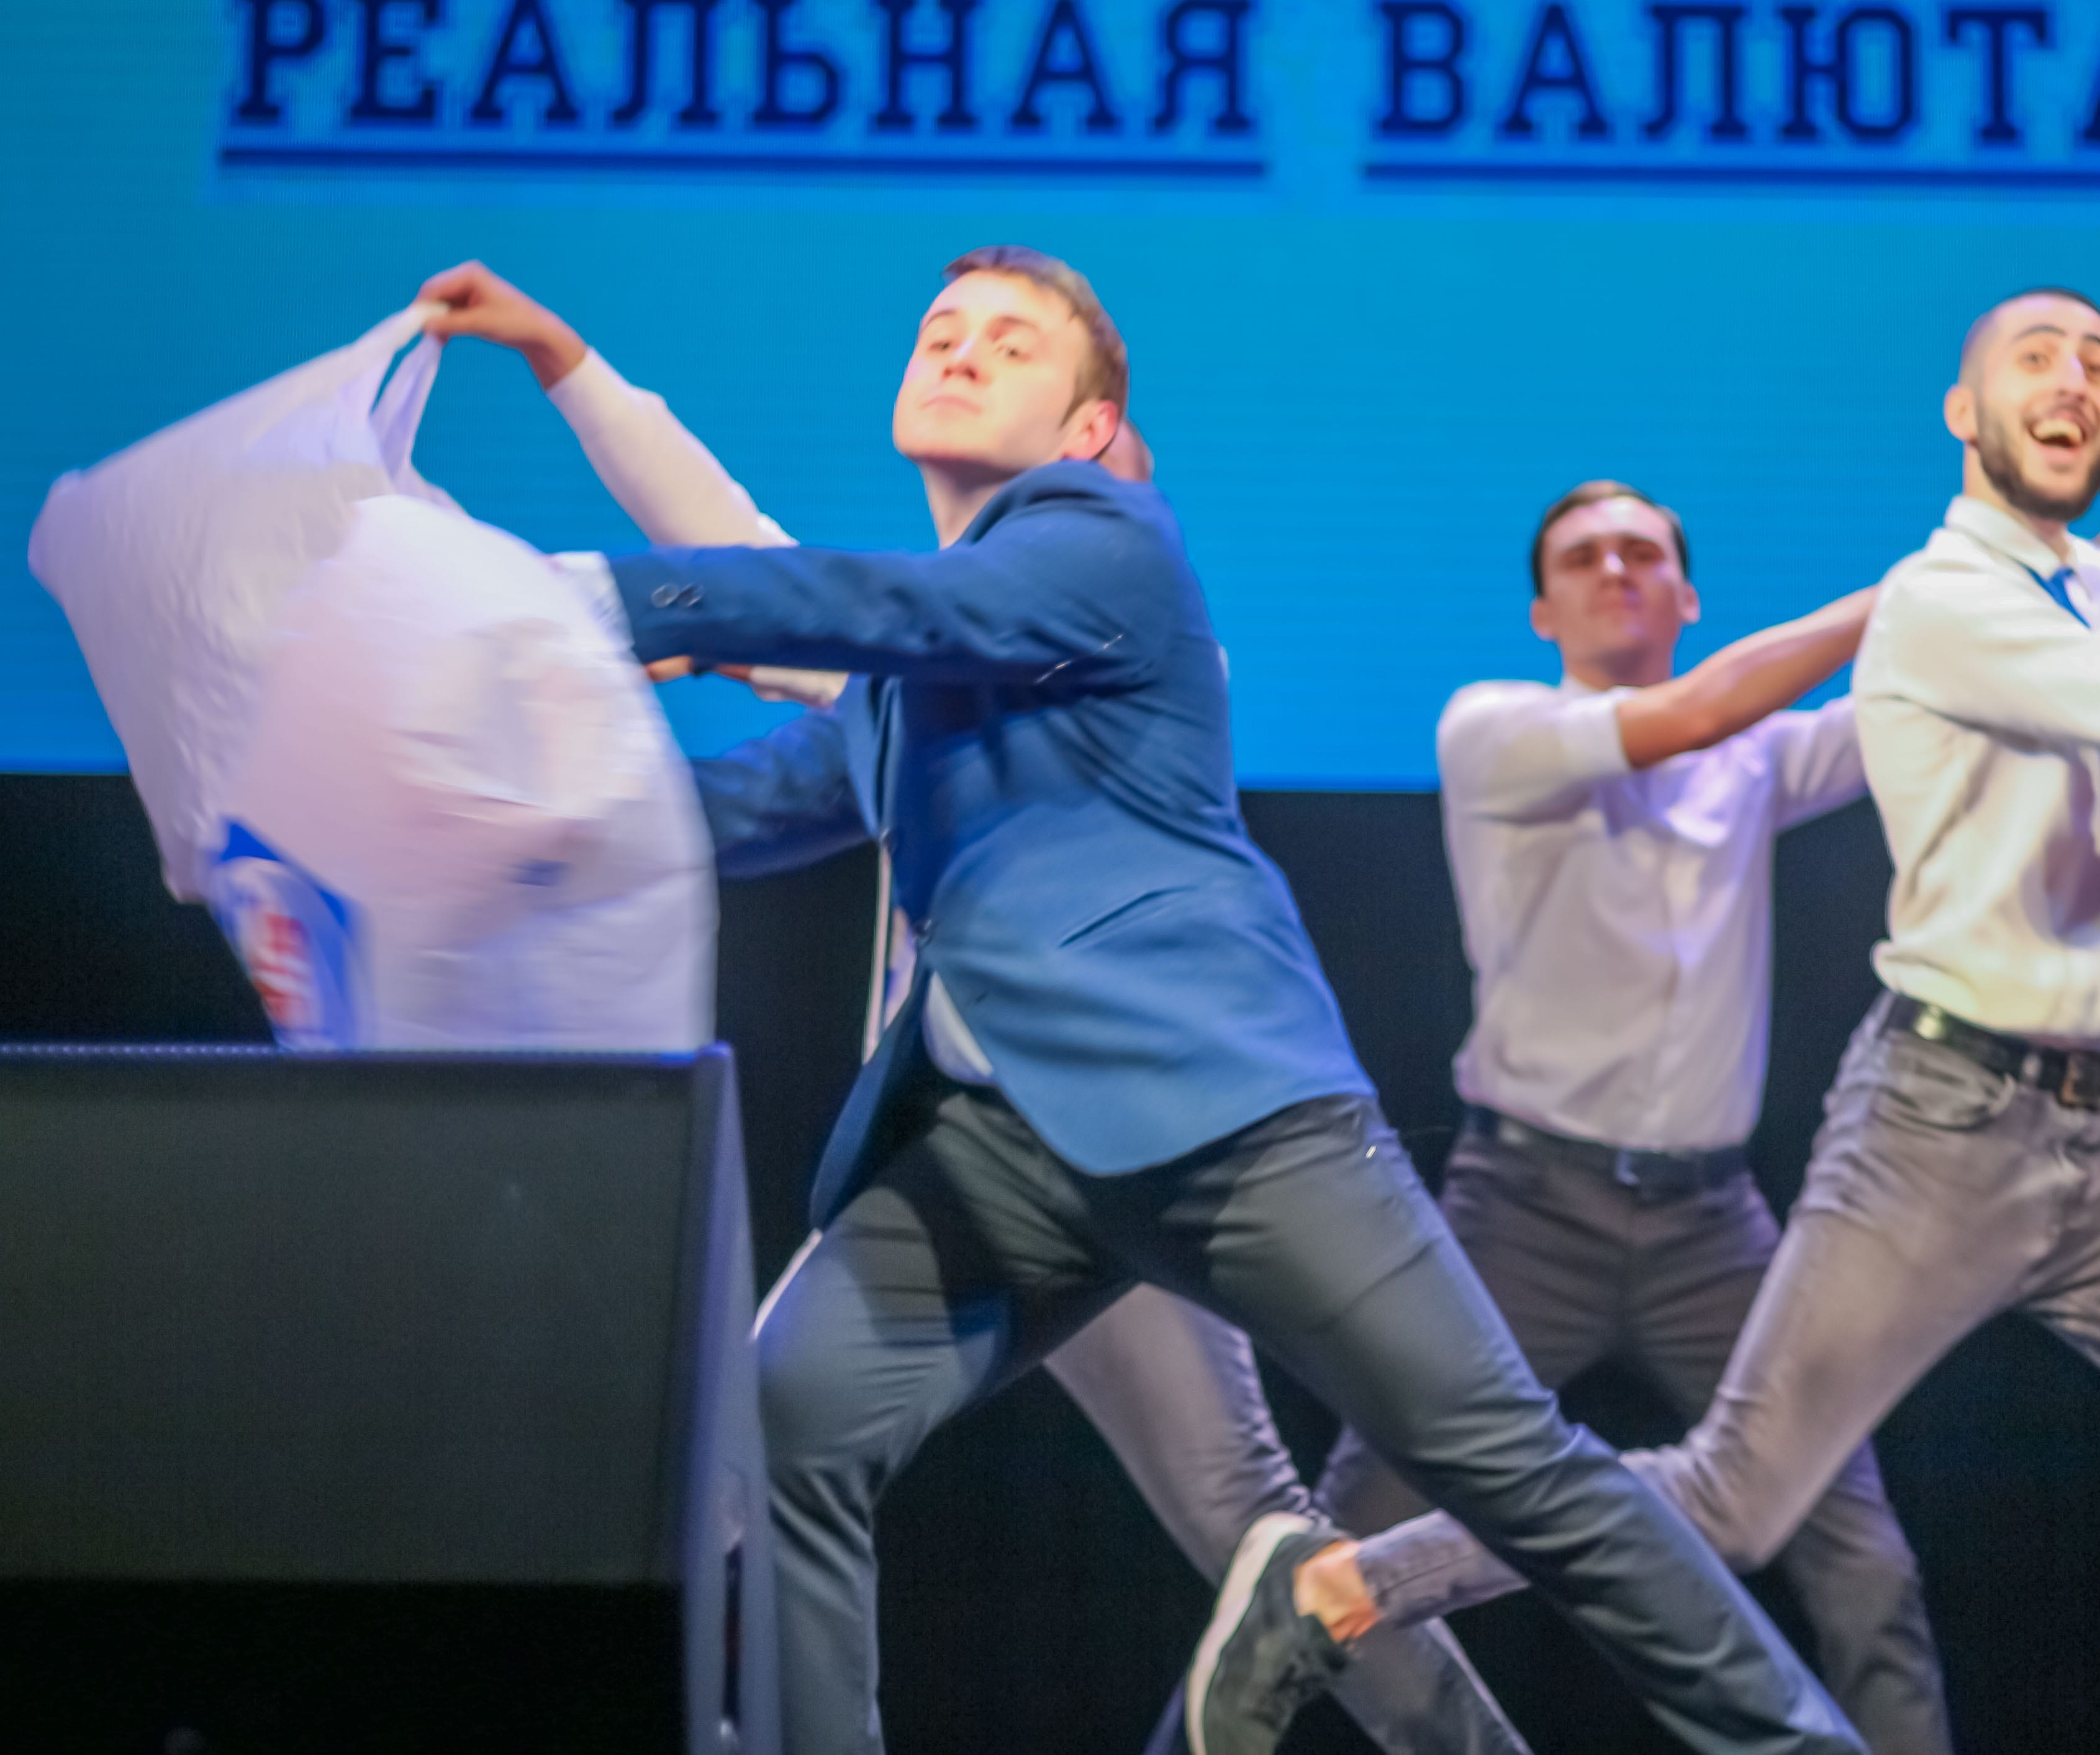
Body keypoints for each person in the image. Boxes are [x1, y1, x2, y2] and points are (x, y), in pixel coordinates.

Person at [418, 250, 1861, 1755]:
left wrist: (578, 602)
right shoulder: (905, 680)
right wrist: (457, 825)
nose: (959, 353)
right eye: (940, 332)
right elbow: (720, 806)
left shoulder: (1104, 544)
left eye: (1009, 343)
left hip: (1233, 1122)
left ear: (1091, 428)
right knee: (788, 1425)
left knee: (1515, 1473)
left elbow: (868, 599)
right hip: (1005, 1152)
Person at [1187, 287, 2100, 1755]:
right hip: (1928, 1128)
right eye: (2036, 358)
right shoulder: (1929, 607)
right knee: (1736, 1499)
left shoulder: (2063, 611)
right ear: (1963, 414)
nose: (2075, 381)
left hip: (2099, 1143)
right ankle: (1342, 1588)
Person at [1299, 480, 1950, 1755]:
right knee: (1342, 1550)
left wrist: (2056, 578)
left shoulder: (1756, 758)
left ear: (1689, 597)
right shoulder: (1492, 728)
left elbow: (1919, 707)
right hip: (1522, 1213)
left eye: (1643, 553)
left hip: (1715, 1227)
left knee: (1864, 1563)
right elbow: (1692, 712)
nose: (1615, 570)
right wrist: (1924, 581)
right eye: (1583, 557)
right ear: (1542, 611)